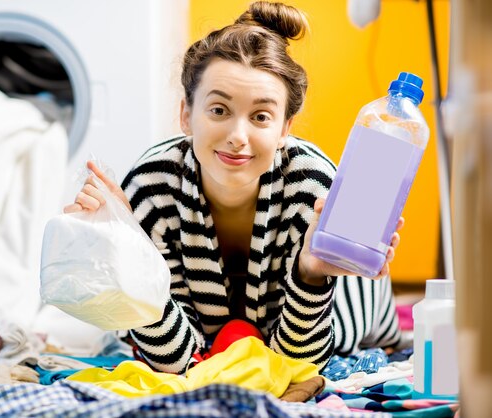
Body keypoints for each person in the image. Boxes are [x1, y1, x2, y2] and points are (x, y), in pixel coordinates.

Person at [65, 1, 407, 374]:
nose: (237, 137)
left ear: (285, 130)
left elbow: (297, 365)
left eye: (261, 117)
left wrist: (311, 272)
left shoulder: (312, 186)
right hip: (201, 327)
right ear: (186, 115)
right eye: (218, 110)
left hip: (328, 313)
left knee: (342, 334)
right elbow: (175, 360)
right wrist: (128, 248)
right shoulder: (152, 186)